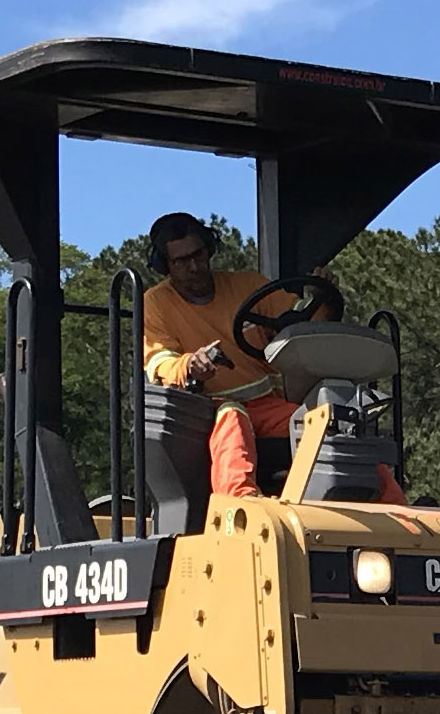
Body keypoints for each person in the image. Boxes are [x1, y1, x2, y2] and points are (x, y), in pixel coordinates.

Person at [140, 212, 405, 502]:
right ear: (164, 266)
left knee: (333, 423)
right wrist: (190, 365)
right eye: (181, 261)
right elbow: (158, 362)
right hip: (203, 413)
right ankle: (242, 508)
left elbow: (300, 322)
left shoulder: (247, 286)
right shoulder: (155, 304)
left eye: (198, 254)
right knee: (231, 415)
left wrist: (320, 297)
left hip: (268, 408)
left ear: (209, 250)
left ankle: (396, 511)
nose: (194, 266)